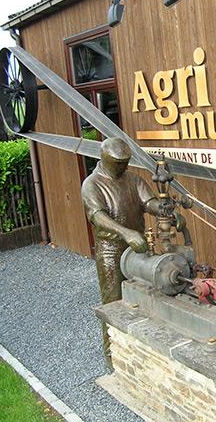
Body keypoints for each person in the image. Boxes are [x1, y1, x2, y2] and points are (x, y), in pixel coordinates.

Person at [81, 137, 163, 369]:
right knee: (113, 302)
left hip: (138, 247)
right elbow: (97, 216)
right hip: (111, 249)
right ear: (106, 160)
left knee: (144, 295)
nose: (124, 168)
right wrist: (126, 233)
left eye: (126, 163)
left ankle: (142, 349)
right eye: (119, 164)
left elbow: (148, 202)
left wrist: (163, 209)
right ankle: (113, 355)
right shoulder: (92, 184)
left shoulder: (133, 179)